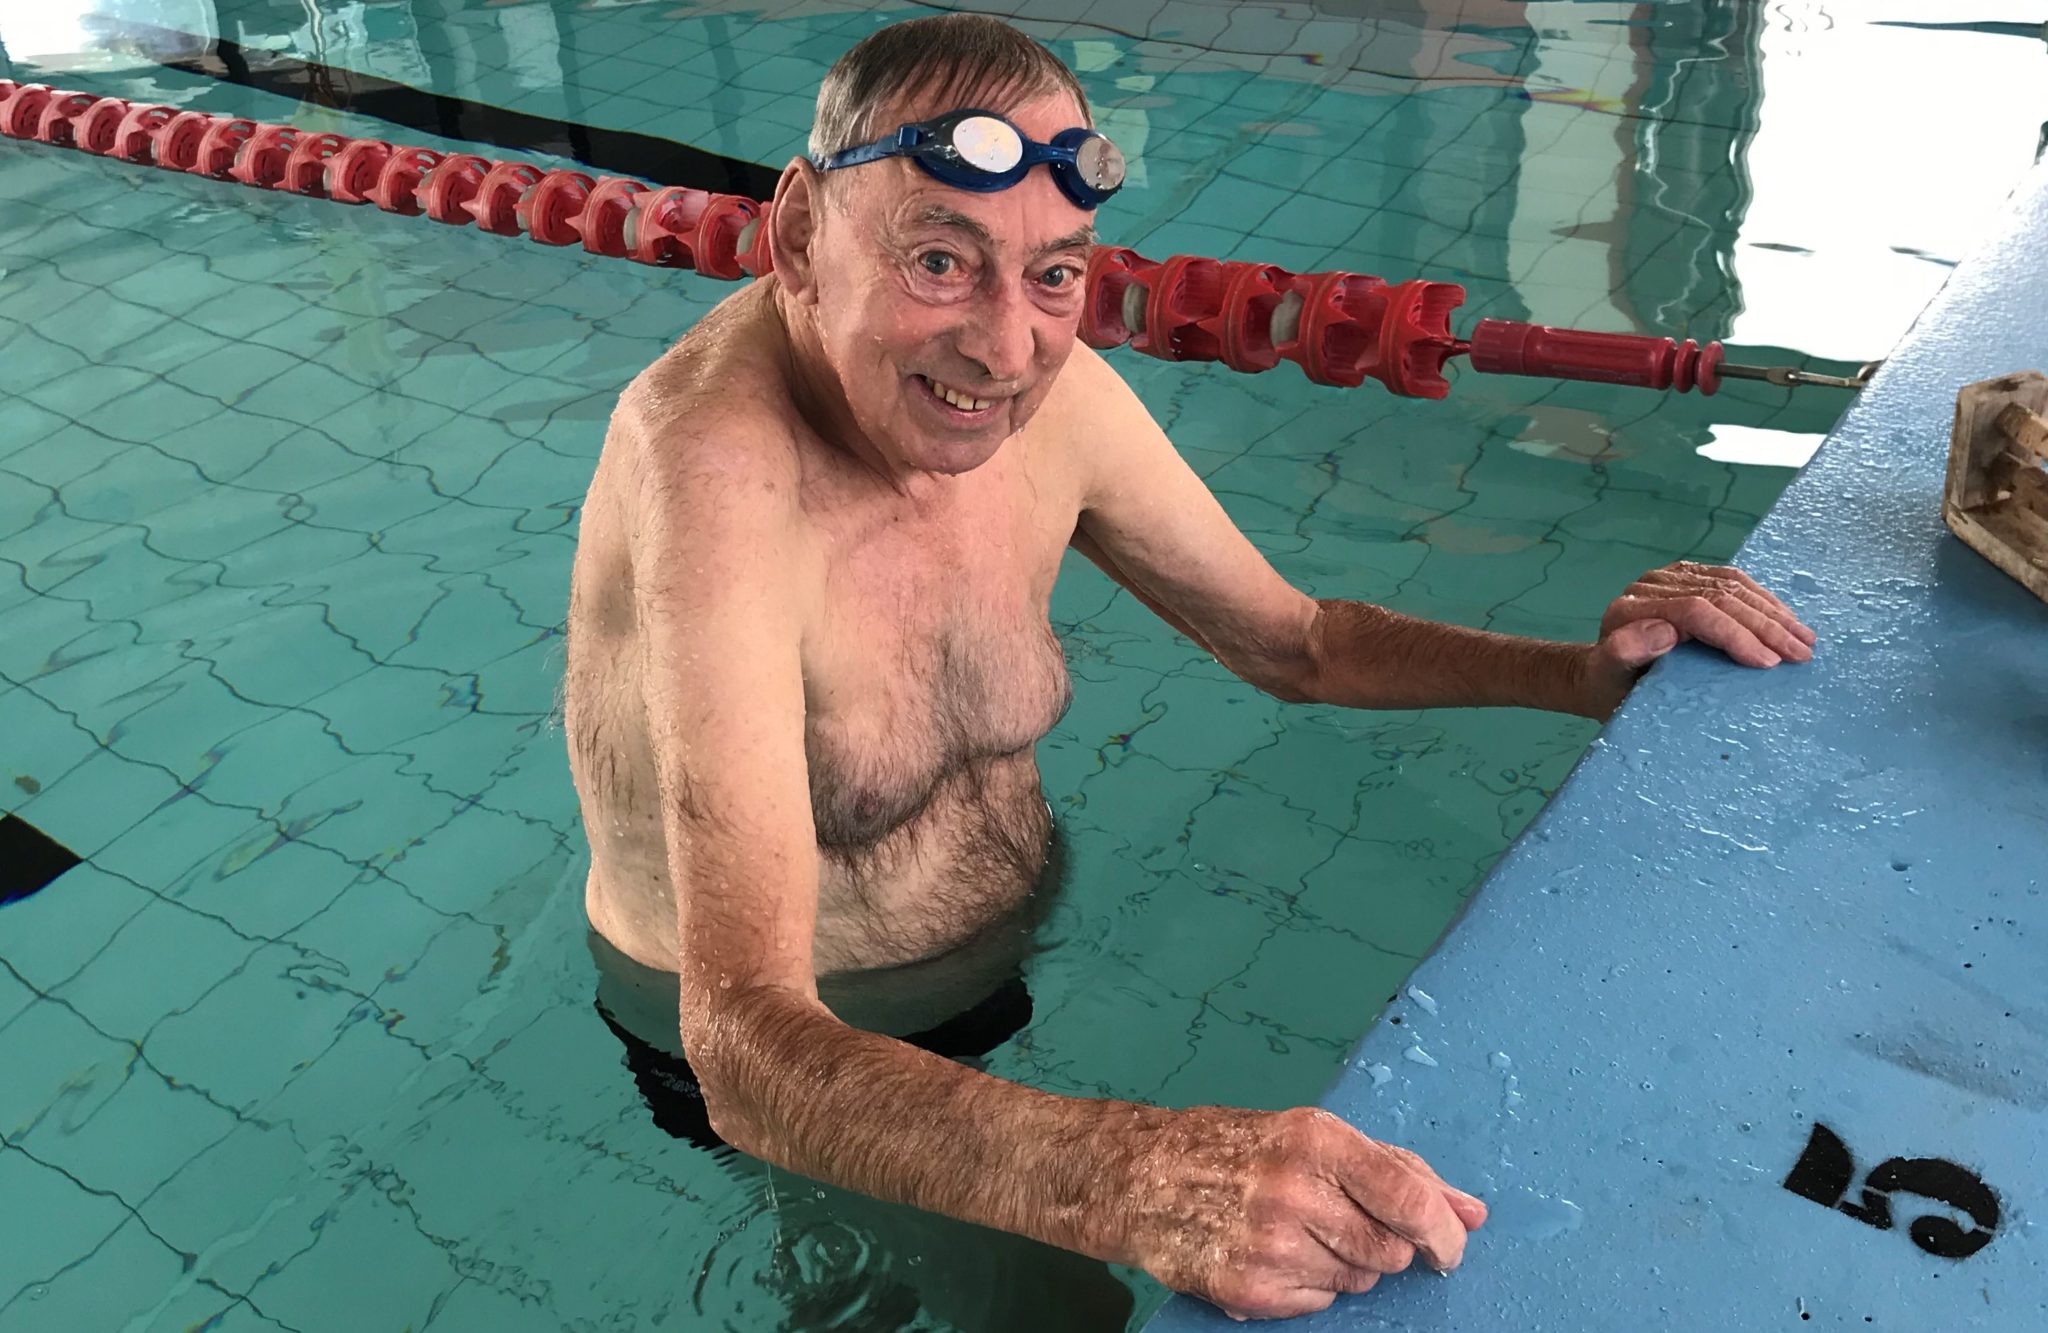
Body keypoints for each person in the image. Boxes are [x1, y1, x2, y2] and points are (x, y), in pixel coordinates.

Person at [562, 13, 1815, 1321]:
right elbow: (746, 1043)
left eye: (1054, 274)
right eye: (941, 258)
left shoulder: (1050, 404)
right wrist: (1138, 1172)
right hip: (801, 1067)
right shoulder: (713, 474)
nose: (1005, 348)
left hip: (987, 987)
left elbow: (1300, 641)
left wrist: (1585, 675)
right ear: (800, 236)